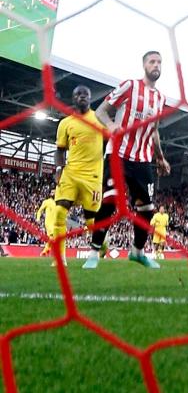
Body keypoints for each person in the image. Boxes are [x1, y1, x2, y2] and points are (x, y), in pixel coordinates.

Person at [85, 51, 170, 270]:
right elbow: (101, 111)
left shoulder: (160, 99)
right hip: (119, 154)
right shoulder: (130, 86)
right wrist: (112, 125)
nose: (156, 65)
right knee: (110, 201)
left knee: (147, 209)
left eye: (159, 62)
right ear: (144, 65)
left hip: (143, 160)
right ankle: (94, 252)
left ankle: (137, 252)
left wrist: (160, 157)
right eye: (152, 61)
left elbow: (155, 131)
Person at [52, 85, 105, 267]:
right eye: (78, 94)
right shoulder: (65, 123)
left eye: (86, 94)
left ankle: (102, 247)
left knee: (91, 219)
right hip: (71, 173)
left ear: (90, 98)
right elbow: (59, 150)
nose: (82, 96)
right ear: (73, 99)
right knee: (59, 212)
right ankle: (60, 258)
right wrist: (58, 170)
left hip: (92, 177)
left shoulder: (99, 119)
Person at [36, 192, 56, 257]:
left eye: (54, 192)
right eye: (52, 192)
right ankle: (46, 251)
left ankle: (46, 251)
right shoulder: (46, 202)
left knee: (52, 238)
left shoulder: (57, 203)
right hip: (49, 223)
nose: (53, 193)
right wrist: (38, 218)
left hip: (55, 223)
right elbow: (40, 210)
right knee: (52, 237)